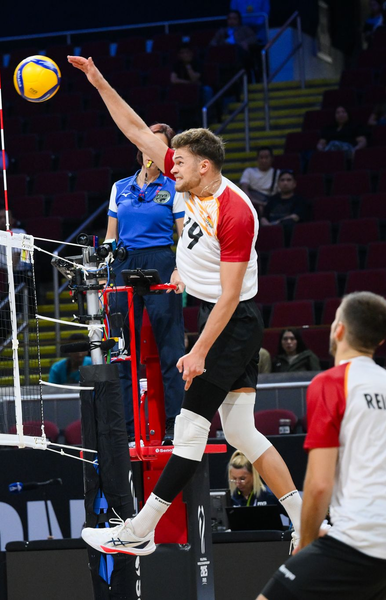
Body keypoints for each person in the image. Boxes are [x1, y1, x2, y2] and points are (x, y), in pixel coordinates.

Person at [69, 55, 304, 557]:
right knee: (241, 428)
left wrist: (198, 351)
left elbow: (231, 295)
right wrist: (97, 80)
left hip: (230, 321)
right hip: (217, 315)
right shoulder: (190, 181)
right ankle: (306, 520)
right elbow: (134, 127)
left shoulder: (236, 212)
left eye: (176, 160)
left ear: (203, 165)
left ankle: (139, 530)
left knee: (191, 428)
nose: (164, 164)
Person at [258, 291, 386, 600]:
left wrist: (308, 540)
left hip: (360, 542)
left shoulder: (330, 383)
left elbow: (318, 485)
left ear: (339, 329)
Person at [104, 121, 185, 444]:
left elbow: (185, 236)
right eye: (145, 143)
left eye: (158, 145)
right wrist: (102, 268)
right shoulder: (119, 187)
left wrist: (181, 268)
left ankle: (174, 426)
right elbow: (111, 238)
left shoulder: (174, 186)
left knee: (170, 350)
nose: (149, 150)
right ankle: (127, 429)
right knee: (122, 353)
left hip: (161, 263)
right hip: (125, 264)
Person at [0, 210, 30, 277]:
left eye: (5, 217)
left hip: (20, 273)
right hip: (0, 274)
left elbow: (16, 256)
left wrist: (7, 276)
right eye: (0, 218)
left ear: (12, 220)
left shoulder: (20, 233)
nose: (2, 220)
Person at [239, 147, 279, 211]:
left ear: (272, 159)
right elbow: (244, 187)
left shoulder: (277, 173)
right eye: (261, 158)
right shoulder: (249, 171)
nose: (264, 160)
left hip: (272, 202)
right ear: (257, 159)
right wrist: (258, 203)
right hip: (253, 202)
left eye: (266, 157)